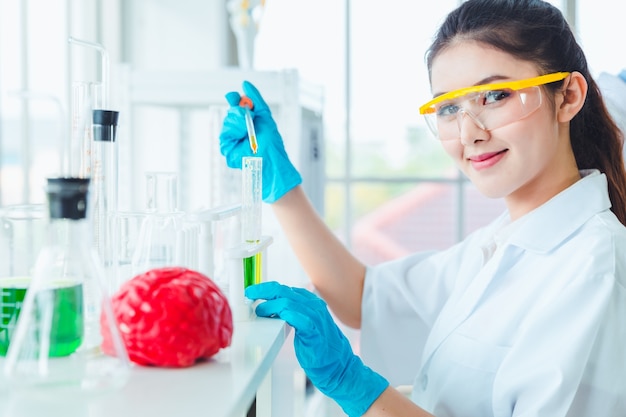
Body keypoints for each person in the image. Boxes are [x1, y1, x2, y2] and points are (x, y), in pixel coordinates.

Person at [218, 0, 626, 415]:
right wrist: (281, 188)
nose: (469, 132)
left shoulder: (594, 270)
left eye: (495, 95)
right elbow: (363, 299)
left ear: (568, 97)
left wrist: (351, 382)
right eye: (449, 108)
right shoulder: (500, 245)